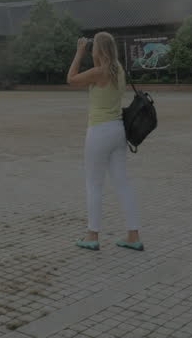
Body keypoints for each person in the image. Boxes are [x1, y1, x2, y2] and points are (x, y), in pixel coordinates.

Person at [66, 32, 143, 251]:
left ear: (98, 50)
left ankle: (92, 235)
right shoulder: (118, 69)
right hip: (118, 131)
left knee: (94, 184)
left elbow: (71, 79)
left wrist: (79, 52)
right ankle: (133, 235)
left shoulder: (98, 73)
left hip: (99, 132)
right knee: (123, 184)